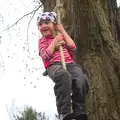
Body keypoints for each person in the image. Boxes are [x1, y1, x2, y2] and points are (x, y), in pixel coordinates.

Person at [37, 12, 89, 120]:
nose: (43, 26)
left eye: (47, 22)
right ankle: (64, 112)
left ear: (54, 24)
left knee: (80, 79)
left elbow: (73, 47)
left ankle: (79, 110)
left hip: (69, 64)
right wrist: (55, 42)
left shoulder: (61, 36)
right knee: (63, 76)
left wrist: (62, 31)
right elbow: (46, 55)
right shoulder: (42, 41)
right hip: (53, 65)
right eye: (40, 24)